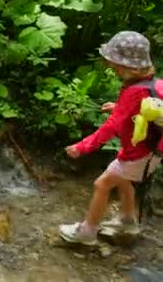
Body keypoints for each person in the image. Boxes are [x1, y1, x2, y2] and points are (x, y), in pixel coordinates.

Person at [59, 30, 162, 245]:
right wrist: (118, 108)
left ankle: (87, 232)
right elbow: (142, 112)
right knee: (124, 182)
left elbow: (111, 127)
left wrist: (82, 147)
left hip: (139, 155)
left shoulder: (134, 91)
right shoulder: (152, 84)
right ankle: (127, 220)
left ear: (128, 66)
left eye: (115, 64)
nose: (112, 67)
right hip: (149, 153)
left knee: (102, 184)